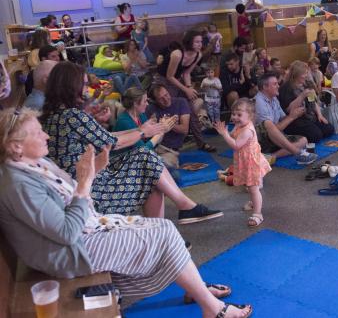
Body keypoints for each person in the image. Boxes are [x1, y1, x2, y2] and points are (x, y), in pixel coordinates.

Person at [0, 109, 253, 318]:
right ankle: (211, 306)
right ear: (16, 147)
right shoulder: (18, 184)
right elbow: (67, 232)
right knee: (164, 233)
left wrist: (95, 170)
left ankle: (201, 295)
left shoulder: (35, 165)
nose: (46, 136)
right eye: (37, 132)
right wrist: (85, 182)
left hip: (80, 237)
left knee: (162, 230)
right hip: (69, 254)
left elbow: (70, 205)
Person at [42, 63, 221, 223]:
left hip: (87, 178)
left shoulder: (57, 115)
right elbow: (112, 143)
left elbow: (105, 136)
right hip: (91, 186)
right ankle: (180, 213)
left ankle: (167, 227)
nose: (87, 89)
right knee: (149, 163)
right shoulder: (72, 115)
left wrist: (144, 130)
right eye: (84, 84)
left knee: (151, 169)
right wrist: (148, 132)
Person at [214, 99, 271, 227]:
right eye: (234, 114)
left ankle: (258, 214)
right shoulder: (240, 126)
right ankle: (254, 202)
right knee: (249, 186)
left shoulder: (247, 130)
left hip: (251, 163)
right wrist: (227, 133)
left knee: (253, 188)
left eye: (239, 114)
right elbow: (234, 136)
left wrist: (224, 134)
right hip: (245, 161)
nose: (235, 117)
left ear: (249, 116)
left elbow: (236, 145)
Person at [156, 30, 214, 152]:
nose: (200, 44)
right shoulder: (177, 54)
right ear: (189, 42)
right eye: (197, 42)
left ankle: (201, 142)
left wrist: (188, 87)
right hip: (163, 80)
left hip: (177, 80)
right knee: (171, 107)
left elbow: (186, 73)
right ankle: (168, 144)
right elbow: (169, 76)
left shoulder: (198, 55)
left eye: (201, 42)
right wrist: (186, 90)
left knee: (191, 109)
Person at [254, 72, 317, 164]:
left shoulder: (274, 99)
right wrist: (291, 117)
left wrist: (293, 114)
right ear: (265, 87)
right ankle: (298, 153)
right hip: (260, 140)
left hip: (274, 137)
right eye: (275, 84)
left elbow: (283, 119)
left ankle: (271, 157)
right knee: (268, 123)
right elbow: (272, 128)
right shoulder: (259, 102)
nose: (278, 86)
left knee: (304, 140)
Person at [278, 61, 334, 143]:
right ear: (296, 74)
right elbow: (289, 109)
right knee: (316, 136)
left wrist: (320, 115)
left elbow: (312, 102)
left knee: (329, 129)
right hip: (296, 120)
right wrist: (302, 96)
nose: (306, 75)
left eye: (307, 73)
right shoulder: (286, 88)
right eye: (304, 73)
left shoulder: (306, 84)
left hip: (309, 116)